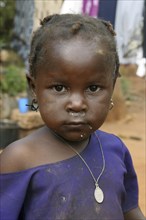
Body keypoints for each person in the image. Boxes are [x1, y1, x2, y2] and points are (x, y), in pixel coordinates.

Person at [0, 14, 145, 220]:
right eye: (59, 88)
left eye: (93, 88)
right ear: (34, 88)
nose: (77, 104)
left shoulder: (115, 149)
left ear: (112, 87)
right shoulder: (18, 159)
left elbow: (130, 211)